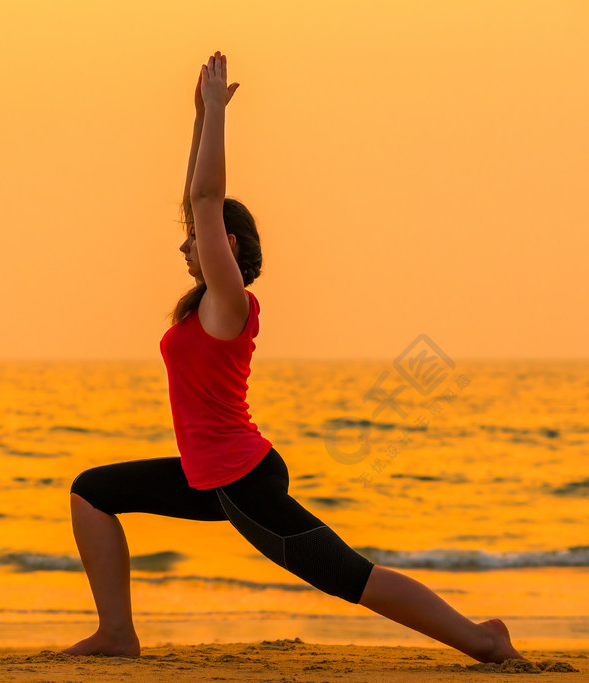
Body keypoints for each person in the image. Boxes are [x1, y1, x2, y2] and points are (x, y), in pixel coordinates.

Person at [62, 51, 526, 665]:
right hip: (211, 475)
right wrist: (199, 117)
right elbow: (194, 201)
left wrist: (220, 118)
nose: (183, 244)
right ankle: (116, 634)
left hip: (240, 478)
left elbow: (206, 197)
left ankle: (482, 638)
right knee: (91, 492)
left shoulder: (230, 304)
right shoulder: (205, 303)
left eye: (196, 237)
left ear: (225, 245)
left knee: (347, 577)